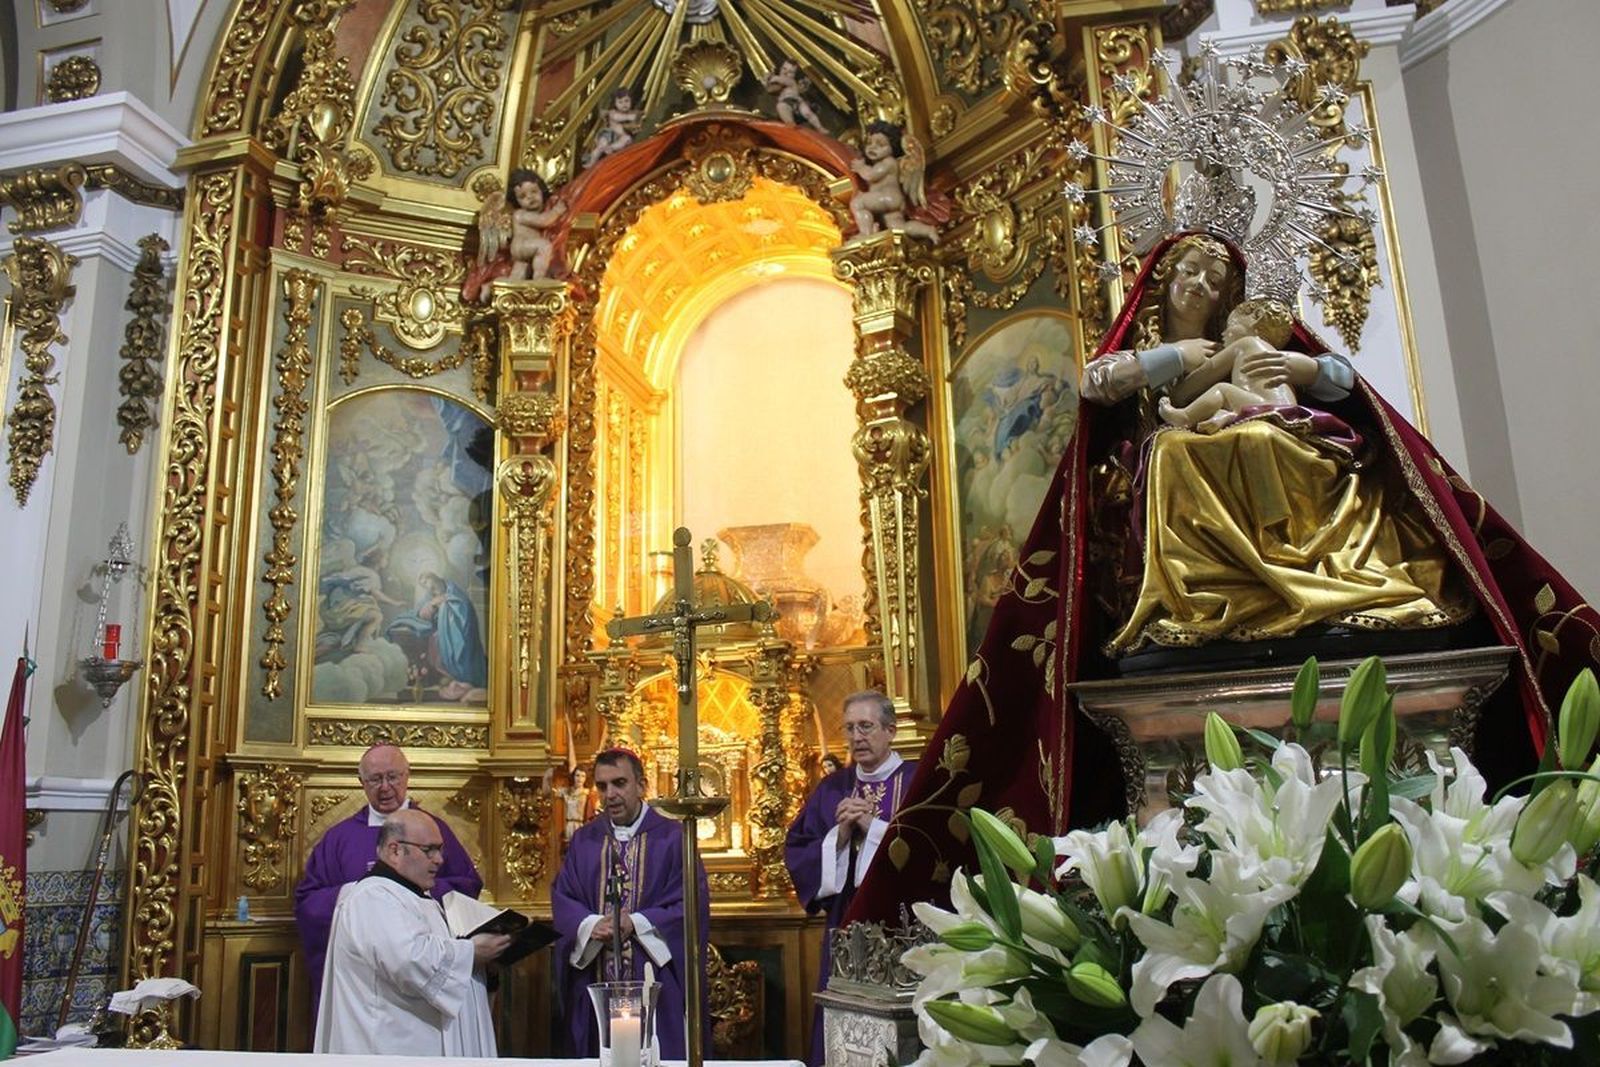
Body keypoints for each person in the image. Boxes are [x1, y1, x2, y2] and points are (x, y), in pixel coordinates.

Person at [846, 229, 1600, 927]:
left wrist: (1294, 368)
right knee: (1181, 454)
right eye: (1190, 270)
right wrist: (1195, 360)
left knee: (1294, 444)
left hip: (1265, 441)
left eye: (1218, 273)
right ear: (1160, 282)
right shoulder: (1145, 349)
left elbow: (1342, 383)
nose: (1203, 281)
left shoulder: (1264, 340)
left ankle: (1314, 581)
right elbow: (1099, 384)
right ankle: (1205, 598)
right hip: (1167, 479)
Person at [295, 744, 483, 1013]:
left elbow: (466, 888)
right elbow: (308, 902)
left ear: (407, 776)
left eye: (393, 777)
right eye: (374, 779)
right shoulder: (340, 838)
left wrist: (418, 893)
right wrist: (351, 893)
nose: (385, 787)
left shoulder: (432, 829)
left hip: (419, 973)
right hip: (361, 979)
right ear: (361, 783)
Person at [784, 691, 918, 1066]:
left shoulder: (918, 779)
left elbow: (930, 847)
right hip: (845, 927)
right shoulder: (832, 789)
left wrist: (871, 827)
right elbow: (798, 849)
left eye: (866, 726)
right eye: (849, 728)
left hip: (904, 927)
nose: (857, 736)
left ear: (890, 730)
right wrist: (839, 836)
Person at [551, 748, 710, 1059]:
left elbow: (692, 904)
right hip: (595, 979)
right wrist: (591, 925)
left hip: (656, 984)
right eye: (602, 786)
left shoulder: (674, 838)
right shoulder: (585, 840)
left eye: (619, 783)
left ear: (641, 785)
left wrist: (635, 922)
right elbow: (564, 898)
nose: (610, 794)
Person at [314, 809, 511, 1055]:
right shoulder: (373, 897)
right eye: (429, 850)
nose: (439, 859)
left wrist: (486, 966)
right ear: (395, 850)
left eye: (440, 849)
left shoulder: (417, 898)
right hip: (390, 1047)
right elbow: (408, 960)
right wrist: (471, 952)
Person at [1156, 296, 1298, 430]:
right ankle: (1224, 416)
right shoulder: (1272, 354)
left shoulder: (1246, 344)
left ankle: (1184, 417)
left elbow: (1207, 373)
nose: (1223, 334)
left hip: (1267, 408)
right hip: (1288, 415)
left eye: (1230, 325)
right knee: (1231, 403)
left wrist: (1178, 393)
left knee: (1223, 390)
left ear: (1256, 316)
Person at [849, 120, 938, 242]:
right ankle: (927, 230)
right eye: (869, 143)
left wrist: (861, 168)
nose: (873, 147)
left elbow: (871, 175)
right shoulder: (886, 163)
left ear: (892, 148)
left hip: (887, 197)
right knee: (899, 228)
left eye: (880, 145)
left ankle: (866, 234)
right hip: (893, 201)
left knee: (858, 203)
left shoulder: (888, 162)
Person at [582, 88, 642, 169]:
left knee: (626, 139)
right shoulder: (613, 113)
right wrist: (631, 117)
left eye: (626, 101)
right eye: (620, 102)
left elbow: (635, 125)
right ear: (615, 103)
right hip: (609, 134)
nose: (624, 104)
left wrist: (637, 121)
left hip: (620, 136)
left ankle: (612, 148)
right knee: (601, 145)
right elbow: (619, 118)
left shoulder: (631, 113)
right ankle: (591, 161)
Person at [765, 58, 826, 133]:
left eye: (790, 72)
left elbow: (782, 81)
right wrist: (768, 81)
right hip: (787, 104)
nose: (786, 73)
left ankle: (819, 127)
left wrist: (772, 78)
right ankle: (792, 126)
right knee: (782, 107)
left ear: (794, 75)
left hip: (796, 103)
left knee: (807, 113)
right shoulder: (779, 85)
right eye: (784, 69)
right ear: (780, 68)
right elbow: (770, 90)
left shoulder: (791, 81)